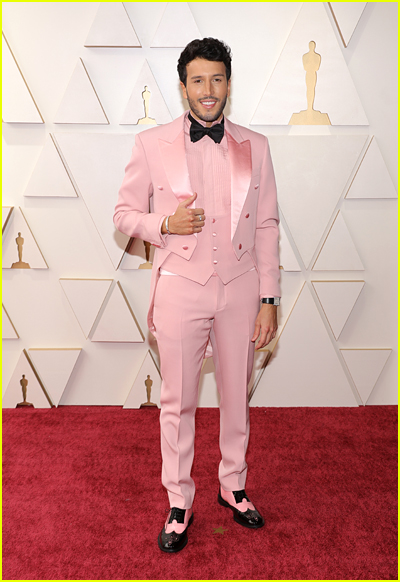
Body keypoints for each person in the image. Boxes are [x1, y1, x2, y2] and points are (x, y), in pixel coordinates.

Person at [113, 38, 281, 553]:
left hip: (240, 287)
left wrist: (269, 299)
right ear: (183, 86)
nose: (208, 91)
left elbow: (269, 225)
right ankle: (179, 500)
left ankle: (233, 486)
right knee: (177, 402)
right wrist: (165, 223)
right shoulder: (151, 144)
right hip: (180, 287)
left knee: (237, 398)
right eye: (198, 80)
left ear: (229, 83)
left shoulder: (257, 146)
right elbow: (123, 216)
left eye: (217, 79)